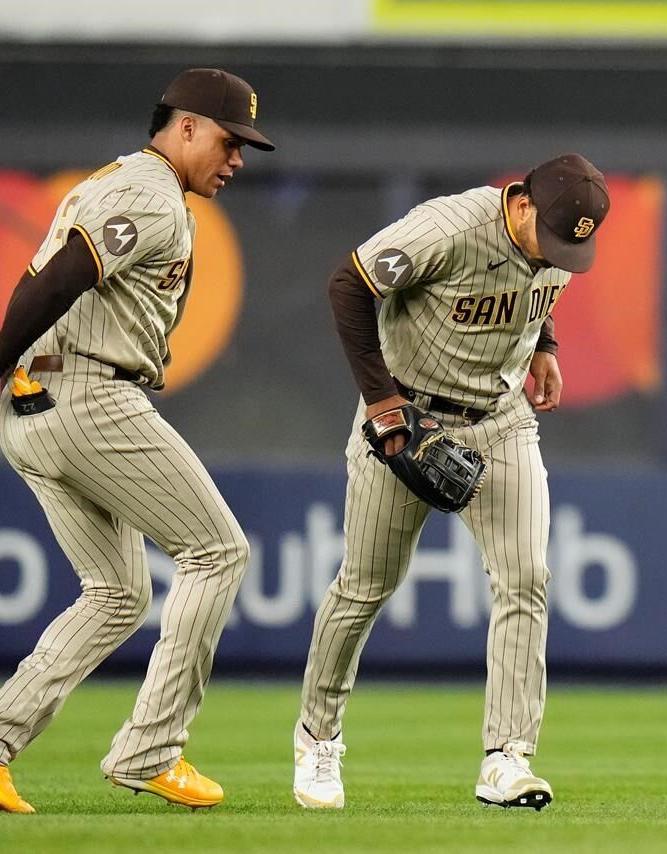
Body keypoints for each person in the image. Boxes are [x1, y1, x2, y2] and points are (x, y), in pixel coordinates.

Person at [293, 154, 610, 810]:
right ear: (519, 201)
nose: (557, 252)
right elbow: (348, 285)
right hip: (406, 416)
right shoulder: (446, 228)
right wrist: (382, 403)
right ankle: (317, 737)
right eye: (550, 236)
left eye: (569, 245)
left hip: (499, 421)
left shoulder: (556, 243)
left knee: (526, 578)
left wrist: (544, 347)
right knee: (364, 587)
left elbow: (537, 287)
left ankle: (507, 758)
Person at [0, 68, 274, 814]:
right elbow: (56, 281)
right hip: (86, 390)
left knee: (119, 593)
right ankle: (151, 749)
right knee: (218, 551)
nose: (238, 158)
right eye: (228, 139)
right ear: (184, 126)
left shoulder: (124, 184)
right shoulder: (147, 193)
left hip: (37, 401)